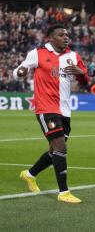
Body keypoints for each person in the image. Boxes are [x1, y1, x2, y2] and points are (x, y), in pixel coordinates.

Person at [14, 24, 89, 203]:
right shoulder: (37, 53)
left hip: (64, 109)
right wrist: (21, 72)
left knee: (54, 151)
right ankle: (64, 192)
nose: (66, 37)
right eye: (61, 35)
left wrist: (81, 74)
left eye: (67, 35)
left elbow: (85, 82)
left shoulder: (73, 56)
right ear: (50, 38)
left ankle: (29, 174)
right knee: (61, 148)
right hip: (46, 107)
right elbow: (18, 71)